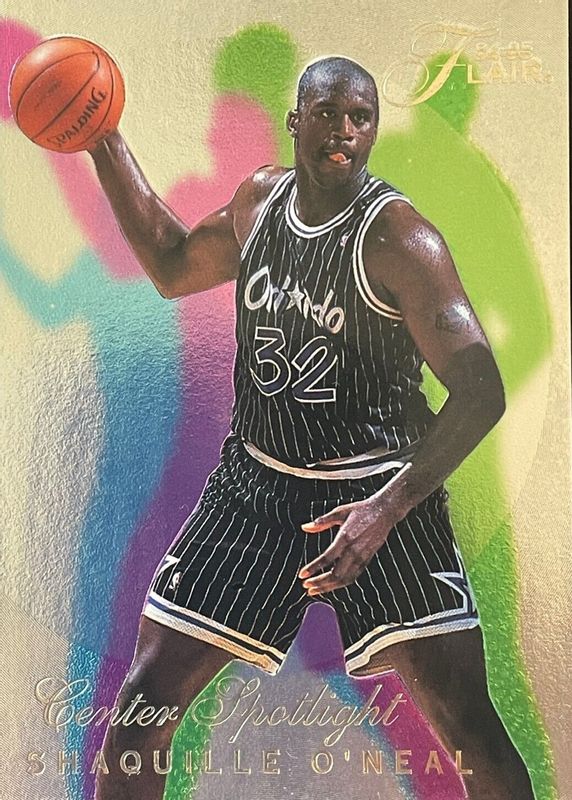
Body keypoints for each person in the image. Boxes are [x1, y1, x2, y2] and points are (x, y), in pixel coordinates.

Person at [89, 56, 534, 800]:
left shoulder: (400, 241)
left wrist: (385, 510)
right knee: (141, 712)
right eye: (328, 114)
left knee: (468, 726)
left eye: (361, 118)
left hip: (377, 493)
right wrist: (102, 139)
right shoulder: (260, 202)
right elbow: (171, 264)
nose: (344, 132)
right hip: (256, 488)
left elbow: (481, 391)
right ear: (297, 121)